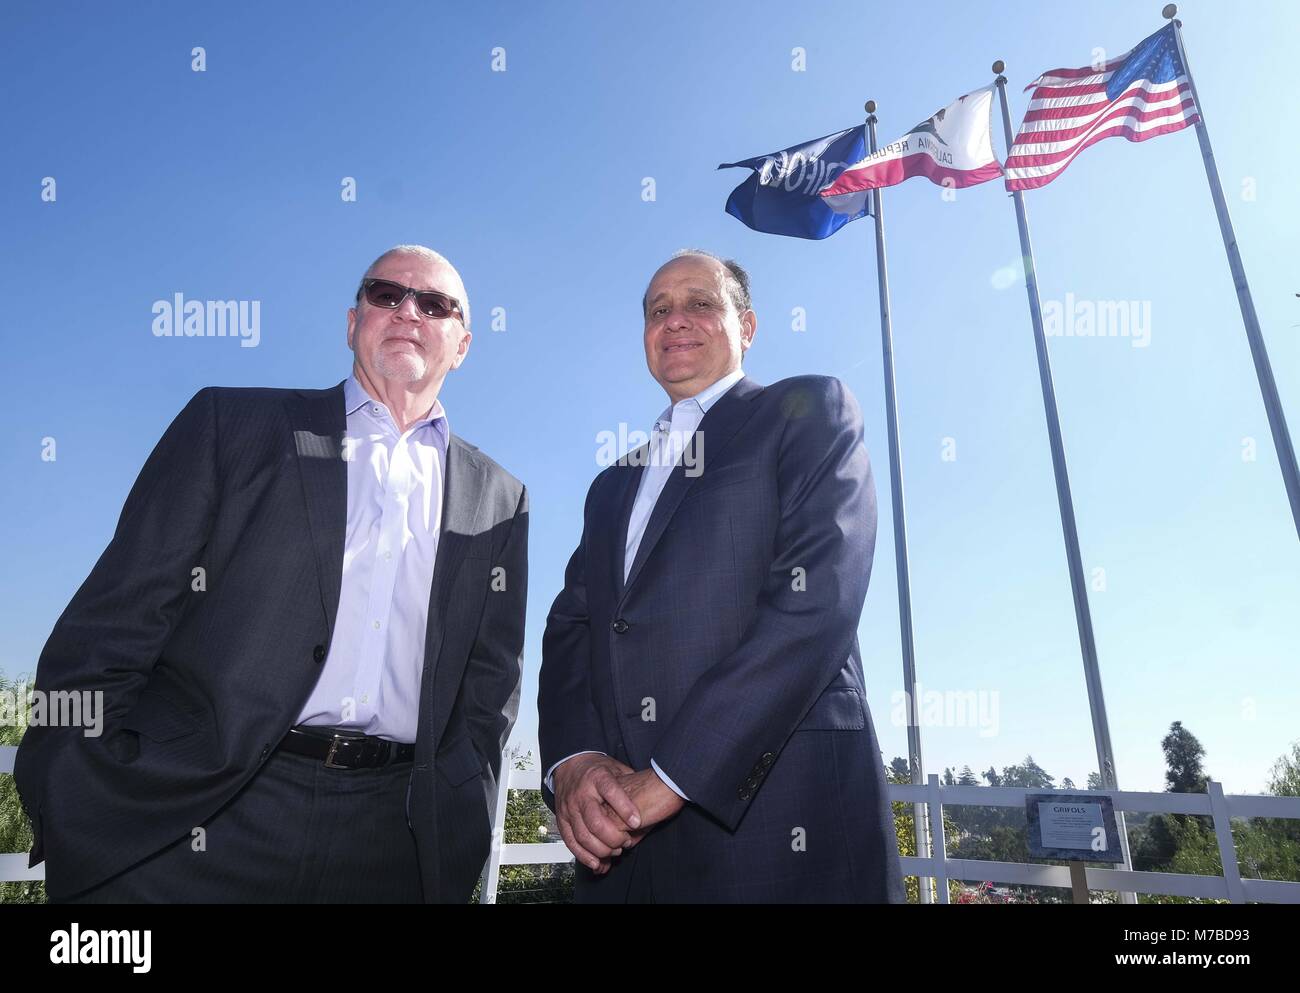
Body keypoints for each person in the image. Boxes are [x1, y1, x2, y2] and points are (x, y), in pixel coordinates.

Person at [15, 244, 528, 903]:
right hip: (201, 815)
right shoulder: (231, 424)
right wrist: (73, 788)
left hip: (386, 841)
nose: (408, 311)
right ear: (353, 322)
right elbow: (116, 620)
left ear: (462, 344)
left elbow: (490, 691)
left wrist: (455, 830)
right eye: (385, 293)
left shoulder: (500, 498)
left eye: (435, 304)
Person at [538, 249, 904, 902]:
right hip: (621, 852)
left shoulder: (809, 409)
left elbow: (816, 600)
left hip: (777, 825)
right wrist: (575, 760)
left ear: (748, 326)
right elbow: (572, 628)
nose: (674, 319)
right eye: (657, 309)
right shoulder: (609, 486)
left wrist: (674, 774)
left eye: (699, 302)